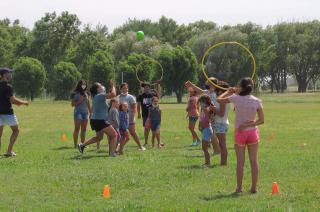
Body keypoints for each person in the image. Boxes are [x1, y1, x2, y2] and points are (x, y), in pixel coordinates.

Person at [217, 77, 264, 193]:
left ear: (241, 87)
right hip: (252, 132)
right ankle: (253, 188)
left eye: (238, 85)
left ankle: (239, 188)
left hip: (240, 133)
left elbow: (219, 99)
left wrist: (229, 91)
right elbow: (262, 120)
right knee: (254, 161)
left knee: (240, 162)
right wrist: (253, 123)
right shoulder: (257, 100)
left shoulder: (235, 98)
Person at [77, 81, 118, 157]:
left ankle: (82, 145)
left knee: (99, 137)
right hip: (100, 120)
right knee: (114, 135)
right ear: (97, 89)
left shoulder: (97, 96)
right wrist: (113, 85)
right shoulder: (99, 95)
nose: (102, 86)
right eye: (100, 86)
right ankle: (112, 153)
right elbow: (113, 94)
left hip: (95, 120)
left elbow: (109, 97)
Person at [185, 78, 221, 154]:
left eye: (208, 82)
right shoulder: (207, 92)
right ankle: (216, 150)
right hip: (208, 115)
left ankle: (217, 150)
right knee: (212, 133)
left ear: (212, 84)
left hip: (214, 116)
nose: (207, 84)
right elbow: (200, 90)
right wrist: (191, 84)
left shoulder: (216, 93)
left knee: (213, 134)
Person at [0, 68, 28, 157]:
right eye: (9, 73)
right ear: (4, 75)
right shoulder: (8, 87)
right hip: (8, 113)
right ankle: (9, 152)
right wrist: (24, 102)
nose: (10, 74)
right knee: (16, 130)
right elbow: (13, 100)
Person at [118, 83, 146, 151]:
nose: (125, 89)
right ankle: (119, 148)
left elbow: (134, 108)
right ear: (120, 89)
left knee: (133, 133)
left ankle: (140, 146)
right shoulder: (118, 97)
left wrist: (131, 118)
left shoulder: (130, 97)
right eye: (123, 88)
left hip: (129, 119)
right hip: (121, 119)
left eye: (126, 88)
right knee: (122, 134)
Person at [137, 82, 161, 147]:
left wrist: (158, 85)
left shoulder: (153, 94)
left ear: (150, 88)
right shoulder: (141, 96)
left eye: (147, 87)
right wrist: (138, 113)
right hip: (145, 115)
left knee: (155, 129)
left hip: (154, 115)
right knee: (146, 129)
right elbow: (138, 105)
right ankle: (146, 142)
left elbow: (159, 96)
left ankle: (158, 143)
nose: (146, 88)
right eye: (145, 87)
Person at [213, 81, 231, 166]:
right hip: (221, 123)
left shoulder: (223, 100)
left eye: (217, 89)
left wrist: (212, 109)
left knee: (222, 145)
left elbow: (221, 113)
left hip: (221, 123)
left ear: (221, 90)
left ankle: (224, 163)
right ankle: (223, 163)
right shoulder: (225, 98)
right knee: (221, 144)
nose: (216, 91)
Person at [71, 80, 91, 148]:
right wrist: (80, 100)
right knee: (77, 129)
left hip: (85, 113)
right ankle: (75, 145)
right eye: (82, 84)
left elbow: (88, 103)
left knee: (84, 129)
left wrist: (90, 112)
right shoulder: (76, 93)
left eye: (85, 84)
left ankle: (82, 145)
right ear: (79, 85)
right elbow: (72, 104)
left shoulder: (87, 93)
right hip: (78, 112)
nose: (84, 85)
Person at [198, 95, 216, 166]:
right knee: (204, 148)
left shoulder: (206, 109)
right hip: (205, 130)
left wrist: (202, 126)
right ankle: (207, 162)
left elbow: (208, 119)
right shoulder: (204, 109)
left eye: (201, 102)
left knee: (204, 148)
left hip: (207, 129)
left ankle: (207, 163)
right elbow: (202, 119)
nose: (200, 104)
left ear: (205, 102)